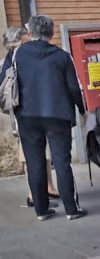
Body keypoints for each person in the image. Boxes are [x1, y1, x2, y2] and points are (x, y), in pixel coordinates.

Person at [14, 15, 87, 221]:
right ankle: (72, 209)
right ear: (51, 32)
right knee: (62, 161)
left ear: (30, 32)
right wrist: (82, 110)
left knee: (35, 161)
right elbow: (74, 88)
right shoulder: (62, 56)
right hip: (58, 114)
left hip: (27, 115)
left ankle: (41, 210)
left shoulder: (17, 54)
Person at [3, 27, 61, 208]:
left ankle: (48, 187)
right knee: (30, 154)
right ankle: (33, 194)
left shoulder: (14, 59)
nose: (31, 38)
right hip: (25, 114)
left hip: (28, 112)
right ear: (19, 40)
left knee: (41, 152)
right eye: (27, 36)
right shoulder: (17, 58)